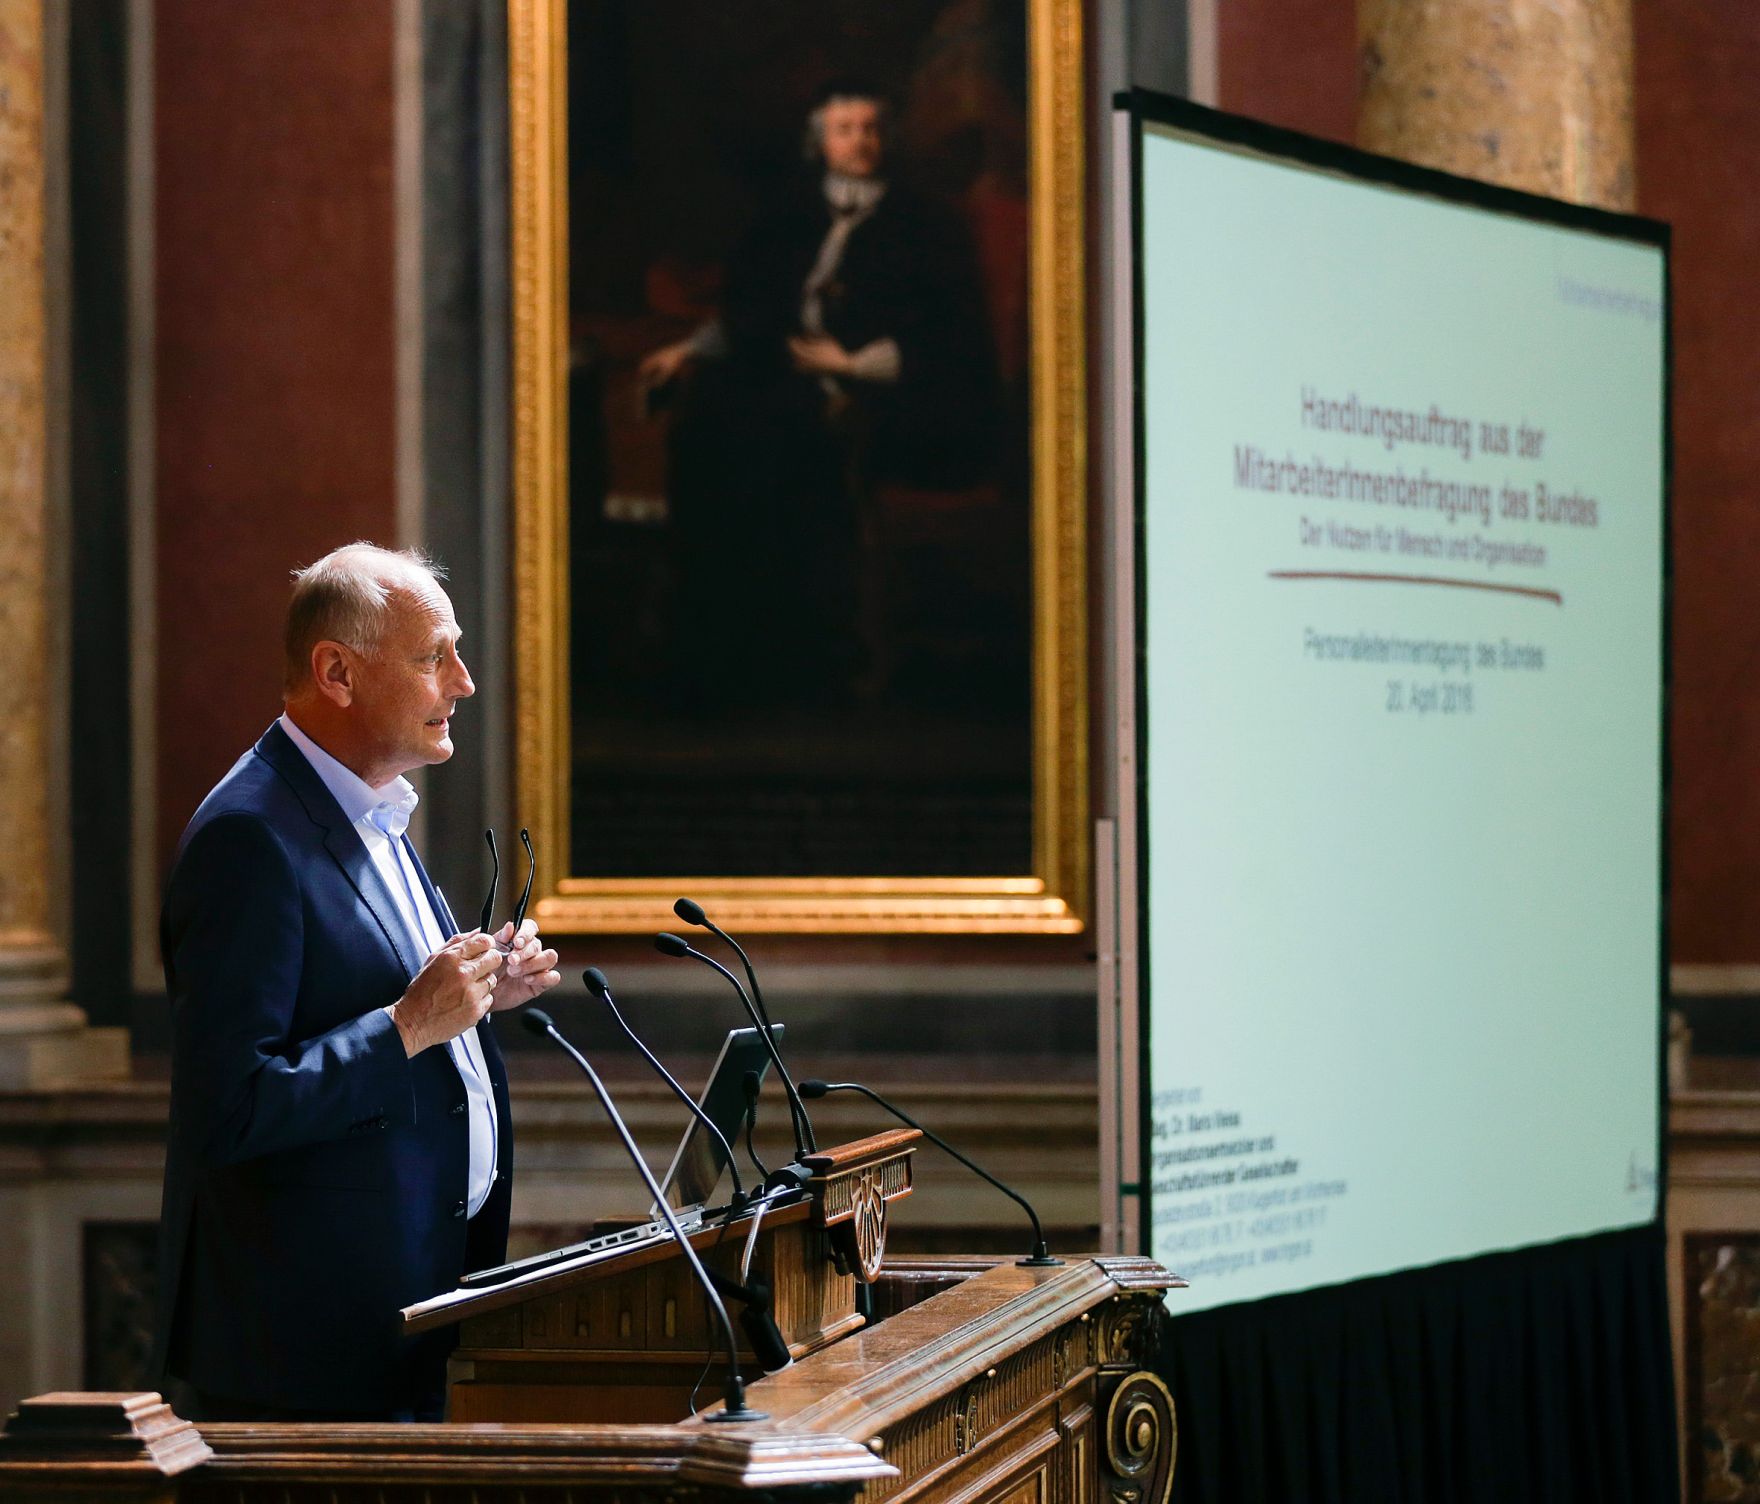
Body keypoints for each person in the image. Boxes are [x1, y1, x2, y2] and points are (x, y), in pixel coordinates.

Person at [150, 543, 561, 1422]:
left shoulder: (370, 806)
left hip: (405, 1320)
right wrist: (413, 1023)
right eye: (432, 658)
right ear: (336, 672)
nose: (463, 681)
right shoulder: (248, 840)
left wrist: (481, 988)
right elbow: (229, 1110)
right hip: (305, 1356)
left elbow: (372, 990)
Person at [638, 82, 996, 703]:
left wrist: (854, 363)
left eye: (870, 128)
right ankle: (713, 643)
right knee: (711, 420)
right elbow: (751, 310)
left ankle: (808, 655)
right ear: (820, 143)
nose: (859, 141)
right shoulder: (788, 218)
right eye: (844, 129)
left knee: (787, 442)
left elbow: (952, 335)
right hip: (788, 386)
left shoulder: (926, 224)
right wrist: (688, 351)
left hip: (895, 397)